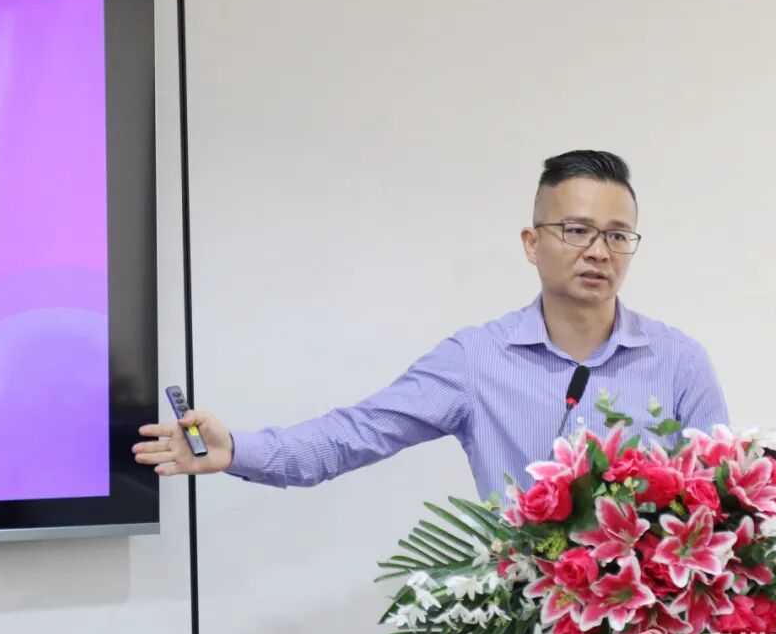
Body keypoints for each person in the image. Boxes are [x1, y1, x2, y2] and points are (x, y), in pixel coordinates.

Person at [132, 150, 728, 500]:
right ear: (532, 242)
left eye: (617, 235)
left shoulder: (678, 361)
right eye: (577, 230)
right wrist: (237, 449)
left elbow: (720, 500)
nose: (598, 251)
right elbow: (354, 434)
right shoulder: (477, 359)